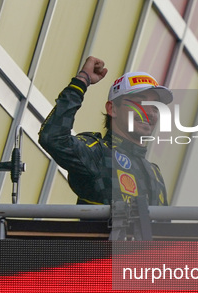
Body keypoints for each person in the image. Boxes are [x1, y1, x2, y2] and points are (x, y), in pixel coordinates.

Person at [38, 56, 171, 206]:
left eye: (155, 106)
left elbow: (164, 228)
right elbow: (53, 138)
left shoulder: (155, 174)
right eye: (139, 103)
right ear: (112, 109)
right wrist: (81, 81)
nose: (149, 112)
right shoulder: (98, 152)